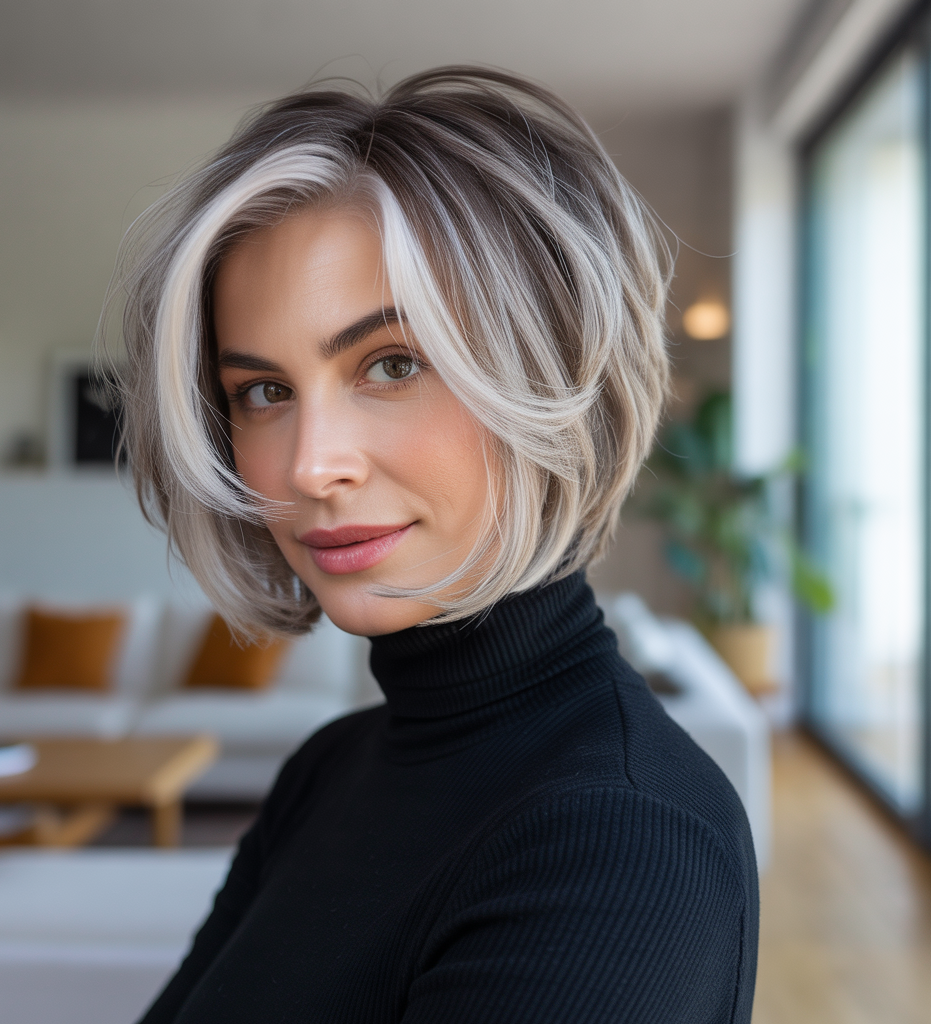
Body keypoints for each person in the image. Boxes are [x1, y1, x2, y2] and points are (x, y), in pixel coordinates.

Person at [109, 67, 758, 1024]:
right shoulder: (329, 770)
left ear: (550, 373)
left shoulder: (622, 838)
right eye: (264, 392)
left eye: (392, 363)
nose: (309, 466)